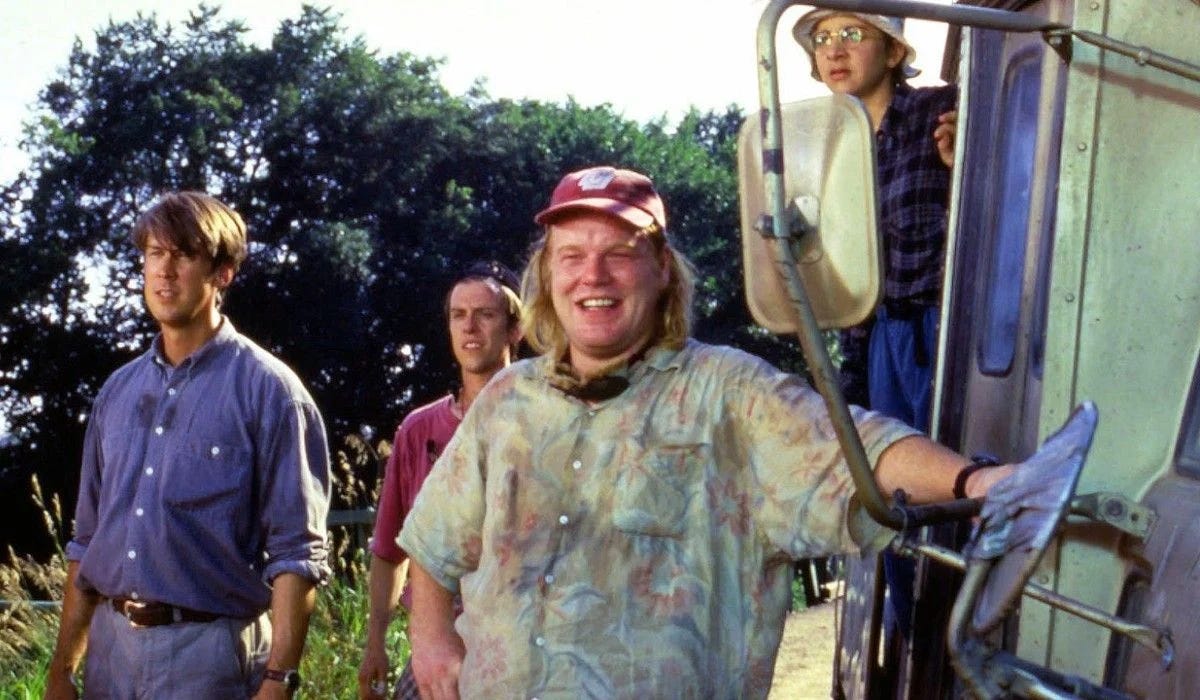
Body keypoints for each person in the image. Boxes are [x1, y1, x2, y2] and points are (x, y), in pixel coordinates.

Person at [395, 165, 1010, 698]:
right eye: (572, 256)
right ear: (547, 275)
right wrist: (431, 639)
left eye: (619, 253)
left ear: (662, 268)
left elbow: (860, 451)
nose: (593, 277)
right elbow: (432, 542)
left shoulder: (728, 392)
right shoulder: (507, 400)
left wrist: (978, 480)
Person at [44, 191, 332, 700]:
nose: (164, 270)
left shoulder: (272, 393)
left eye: (183, 254)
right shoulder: (116, 392)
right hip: (109, 657)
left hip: (212, 657)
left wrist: (278, 679)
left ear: (222, 273)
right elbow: (86, 543)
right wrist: (63, 668)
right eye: (154, 253)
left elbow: (297, 553)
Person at [357, 262, 523, 700]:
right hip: (438, 639)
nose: (470, 327)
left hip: (522, 639)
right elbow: (390, 550)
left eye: (485, 314)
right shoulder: (419, 430)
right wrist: (375, 640)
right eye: (458, 314)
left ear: (514, 328)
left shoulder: (542, 421)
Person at [793, 10, 957, 430]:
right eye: (822, 38)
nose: (835, 49)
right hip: (875, 340)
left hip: (943, 329)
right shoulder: (829, 150)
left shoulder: (942, 110)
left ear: (893, 52)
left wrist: (963, 162)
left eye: (852, 33)